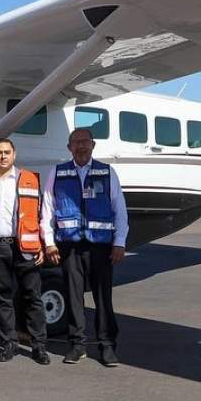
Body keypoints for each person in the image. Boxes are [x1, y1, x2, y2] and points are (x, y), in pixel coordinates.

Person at [42, 127, 129, 367]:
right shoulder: (57, 173)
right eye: (75, 142)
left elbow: (119, 210)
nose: (80, 146)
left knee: (103, 297)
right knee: (73, 297)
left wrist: (119, 242)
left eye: (85, 142)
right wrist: (49, 242)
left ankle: (107, 345)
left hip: (100, 246)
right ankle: (77, 345)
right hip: (69, 246)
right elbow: (47, 209)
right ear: (69, 147)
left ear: (93, 145)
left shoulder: (107, 172)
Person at [0, 138, 50, 365]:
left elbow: (42, 214)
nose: (3, 156)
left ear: (14, 155)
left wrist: (43, 246)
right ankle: (9, 343)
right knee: (2, 297)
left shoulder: (30, 179)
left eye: (7, 152)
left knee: (32, 296)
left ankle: (39, 346)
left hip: (23, 246)